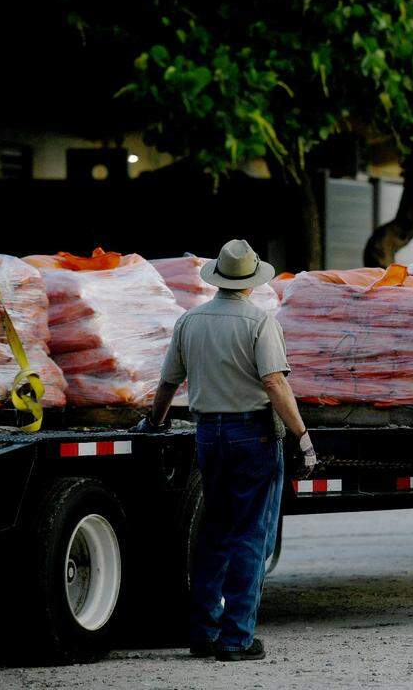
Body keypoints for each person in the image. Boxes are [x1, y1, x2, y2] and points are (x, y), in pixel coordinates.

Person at [134, 239, 317, 661]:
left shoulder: (190, 322)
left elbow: (167, 383)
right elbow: (274, 382)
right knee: (251, 535)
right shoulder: (259, 322)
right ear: (252, 283)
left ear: (218, 280)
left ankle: (202, 633)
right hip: (252, 435)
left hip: (208, 435)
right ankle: (237, 639)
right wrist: (302, 435)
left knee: (214, 532)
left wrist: (154, 423)